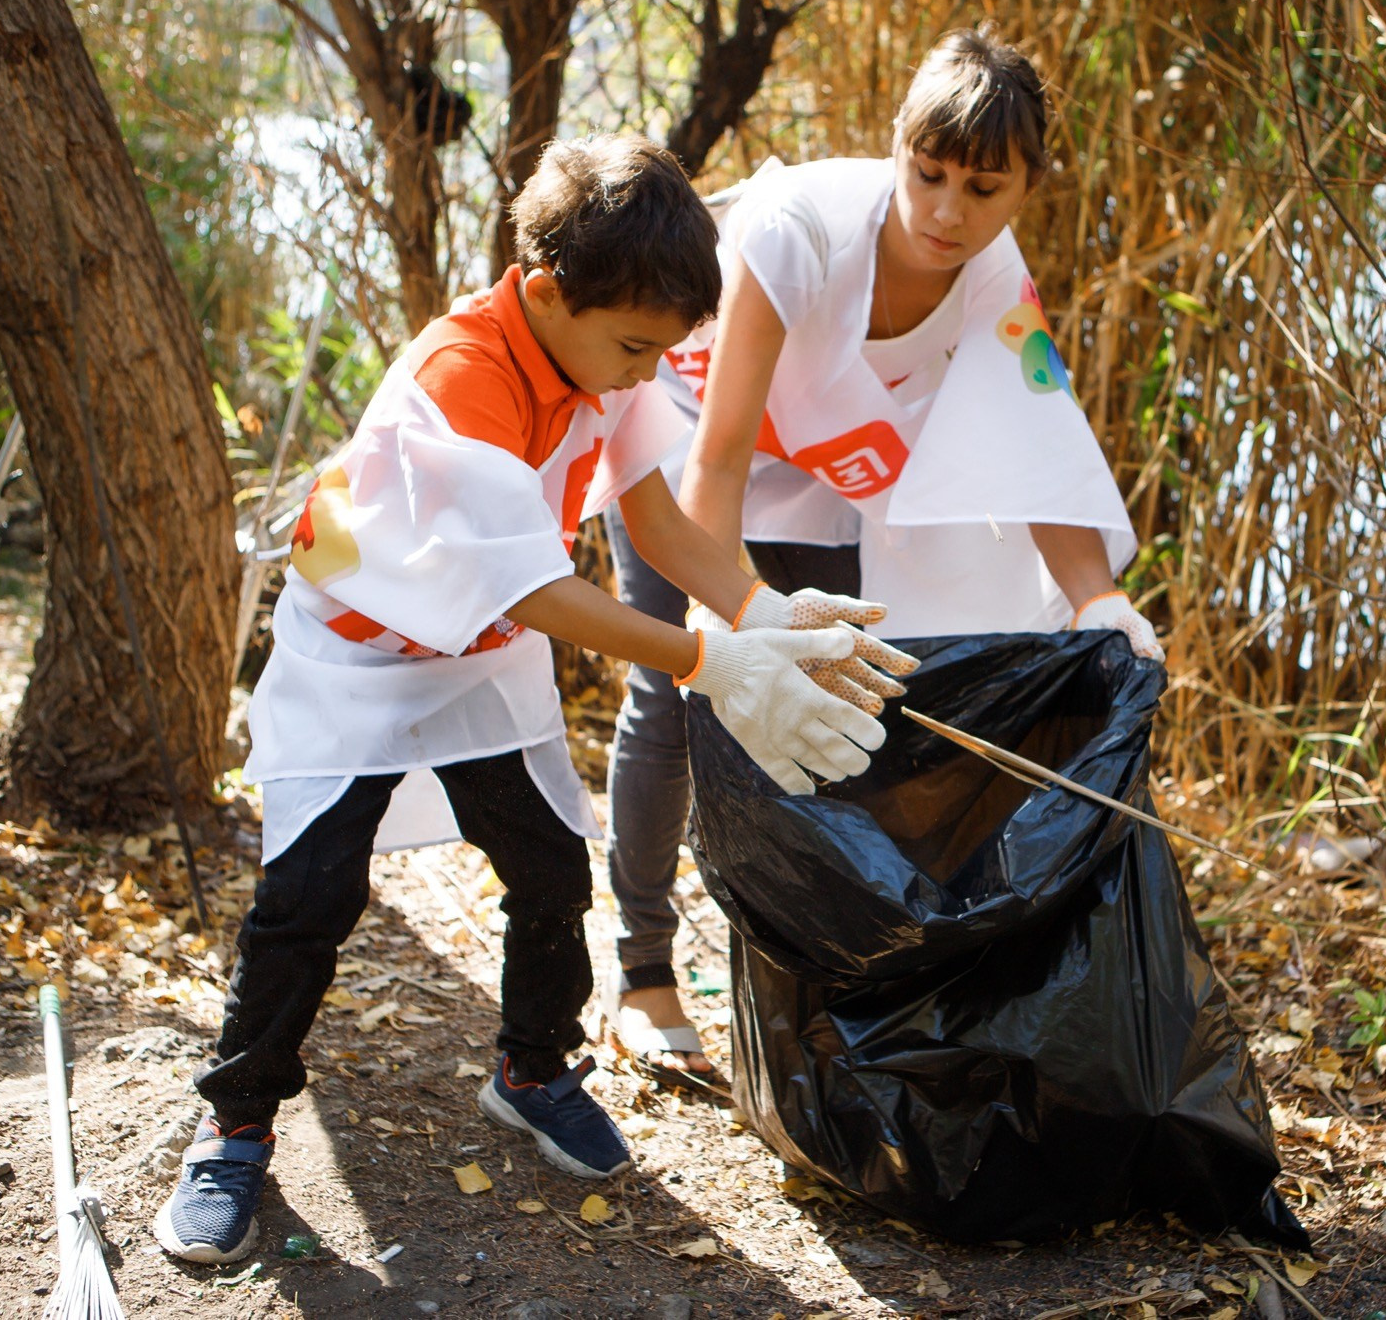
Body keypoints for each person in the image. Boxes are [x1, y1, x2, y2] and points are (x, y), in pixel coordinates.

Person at [154, 134, 911, 1265]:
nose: (646, 373)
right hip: (354, 659)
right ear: (545, 291)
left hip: (483, 652)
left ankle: (533, 1066)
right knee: (308, 899)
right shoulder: (460, 382)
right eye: (635, 348)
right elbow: (543, 586)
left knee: (553, 871)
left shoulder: (596, 356)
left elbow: (651, 521)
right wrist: (706, 664)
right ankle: (235, 1123)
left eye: (662, 351)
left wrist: (759, 609)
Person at [604, 26, 1160, 1086]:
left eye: (982, 188)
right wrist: (725, 633)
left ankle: (806, 993)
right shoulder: (794, 230)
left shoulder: (994, 275)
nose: (947, 211)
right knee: (676, 695)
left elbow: (1038, 452)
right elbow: (717, 458)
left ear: (1024, 189)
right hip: (689, 436)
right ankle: (642, 976)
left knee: (842, 713)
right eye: (928, 172)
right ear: (896, 146)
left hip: (829, 475)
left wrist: (1101, 602)